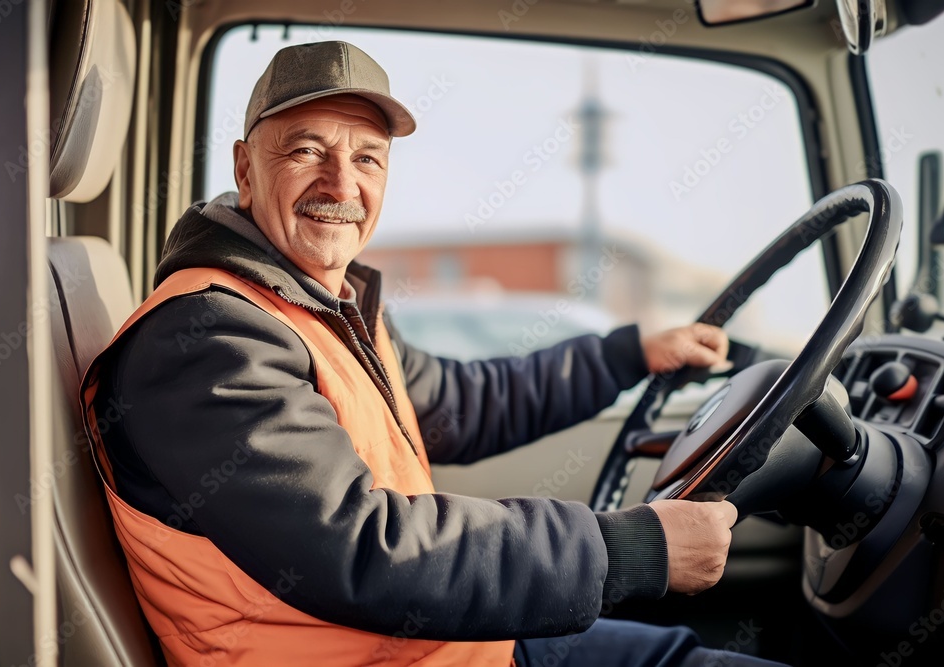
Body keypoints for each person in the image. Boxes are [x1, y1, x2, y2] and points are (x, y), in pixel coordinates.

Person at [80, 41, 784, 667]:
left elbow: (458, 404)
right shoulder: (207, 339)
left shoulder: (317, 307)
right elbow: (363, 547)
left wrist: (628, 356)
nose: (341, 184)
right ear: (245, 167)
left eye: (366, 158)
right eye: (306, 150)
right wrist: (628, 549)